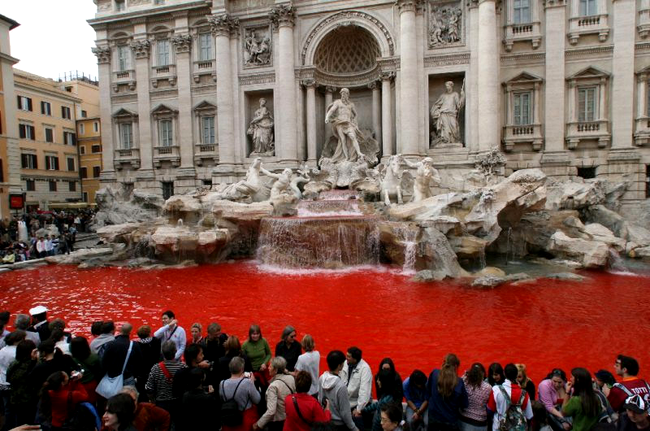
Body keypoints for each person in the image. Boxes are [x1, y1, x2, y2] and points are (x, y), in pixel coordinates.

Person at [426, 353, 469, 430]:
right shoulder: (459, 382)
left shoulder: (435, 373)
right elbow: (464, 404)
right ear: (456, 366)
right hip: (450, 421)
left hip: (434, 418)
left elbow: (428, 392)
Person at [319, 350, 358, 431]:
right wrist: (354, 428)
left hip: (326, 421)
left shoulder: (322, 378)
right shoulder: (341, 386)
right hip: (339, 425)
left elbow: (320, 399)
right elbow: (345, 413)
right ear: (339, 365)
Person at [324, 88, 366, 163]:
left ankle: (359, 153)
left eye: (345, 94)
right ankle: (346, 157)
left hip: (348, 123)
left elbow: (355, 114)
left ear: (348, 95)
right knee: (342, 140)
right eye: (342, 94)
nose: (343, 95)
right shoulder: (337, 102)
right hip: (339, 123)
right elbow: (331, 110)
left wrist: (354, 122)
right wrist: (327, 117)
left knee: (353, 137)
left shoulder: (351, 104)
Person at [487, 363, 533, 431]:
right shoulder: (524, 394)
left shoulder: (496, 390)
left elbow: (490, 410)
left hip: (499, 427)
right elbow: (529, 416)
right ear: (516, 375)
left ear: (504, 373)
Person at [145, 341, 186, 417]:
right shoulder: (182, 367)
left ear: (162, 352)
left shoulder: (156, 368)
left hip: (161, 403)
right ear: (176, 351)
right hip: (178, 402)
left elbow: (149, 388)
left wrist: (153, 402)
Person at [220, 356, 261, 431]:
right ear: (242, 369)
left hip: (228, 419)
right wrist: (252, 383)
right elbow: (257, 400)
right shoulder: (247, 382)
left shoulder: (222, 383)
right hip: (245, 419)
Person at [254, 356, 296, 431]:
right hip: (290, 418)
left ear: (276, 370)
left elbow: (271, 411)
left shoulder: (273, 386)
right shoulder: (291, 378)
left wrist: (258, 424)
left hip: (278, 423)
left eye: (270, 366)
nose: (268, 368)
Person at [6, 340, 38, 427]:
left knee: (20, 421)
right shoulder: (28, 365)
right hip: (27, 398)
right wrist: (33, 361)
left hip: (16, 397)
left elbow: (8, 378)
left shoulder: (14, 363)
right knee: (27, 422)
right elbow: (29, 377)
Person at [339, 347, 373, 419]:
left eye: (348, 356)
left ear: (355, 359)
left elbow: (364, 392)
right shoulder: (345, 363)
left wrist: (359, 409)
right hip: (344, 403)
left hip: (356, 405)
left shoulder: (365, 369)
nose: (346, 358)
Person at [69, 336, 103, 405]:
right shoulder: (94, 357)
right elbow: (99, 371)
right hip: (91, 384)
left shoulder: (70, 360)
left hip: (77, 385)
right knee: (92, 403)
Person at [430, 80, 465, 145]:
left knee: (454, 127)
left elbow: (459, 105)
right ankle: (445, 141)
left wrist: (462, 96)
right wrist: (436, 111)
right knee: (445, 128)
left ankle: (453, 140)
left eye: (448, 86)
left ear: (451, 86)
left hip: (452, 113)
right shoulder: (443, 95)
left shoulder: (455, 94)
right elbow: (437, 104)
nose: (447, 87)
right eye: (446, 86)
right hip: (443, 113)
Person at [459, 363, 491, 431]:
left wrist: (466, 375)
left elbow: (460, 382)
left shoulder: (465, 382)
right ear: (482, 374)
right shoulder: (488, 387)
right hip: (481, 423)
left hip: (465, 421)